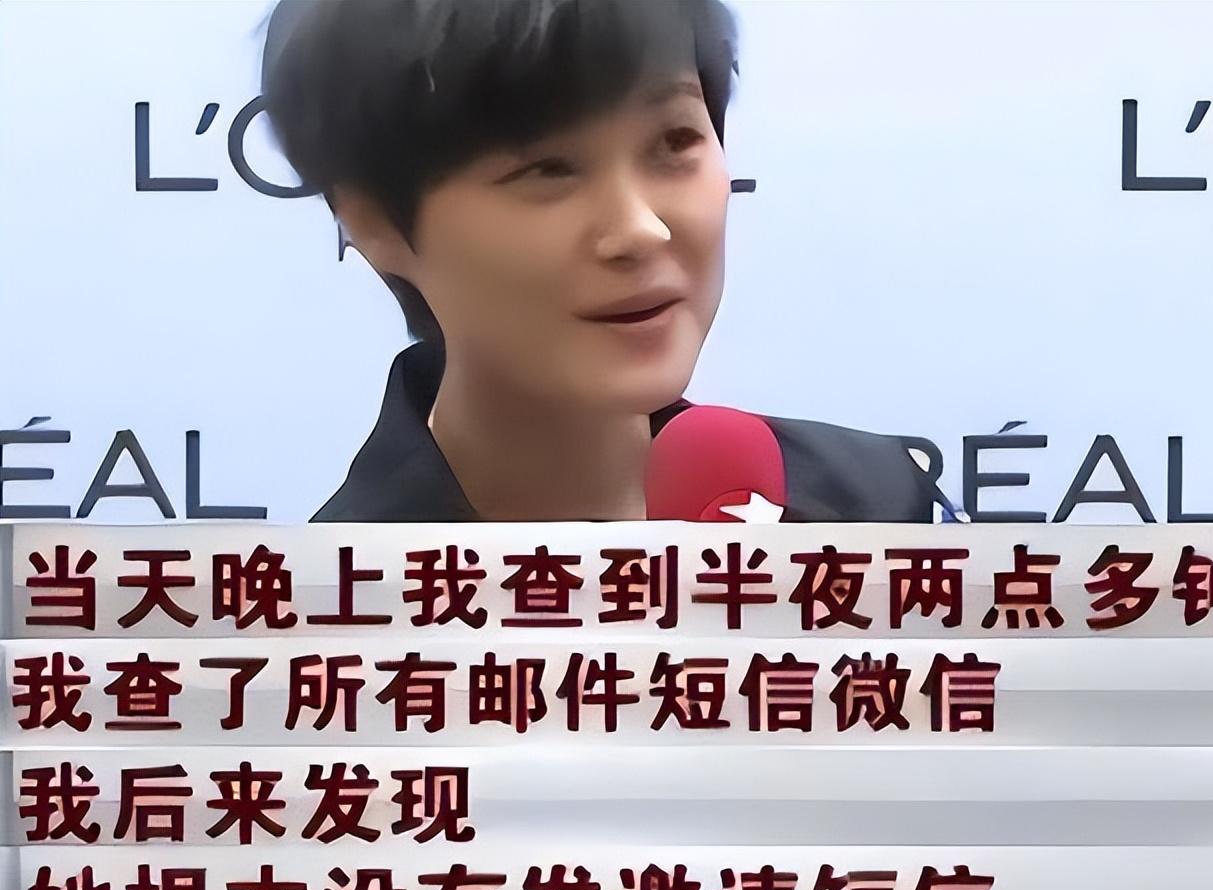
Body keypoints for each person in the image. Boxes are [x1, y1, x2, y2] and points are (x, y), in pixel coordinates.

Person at [261, 0, 944, 523]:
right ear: (375, 222)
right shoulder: (326, 624)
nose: (640, 229)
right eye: (548, 169)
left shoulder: (874, 515)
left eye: (675, 140)